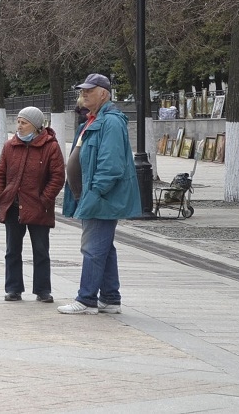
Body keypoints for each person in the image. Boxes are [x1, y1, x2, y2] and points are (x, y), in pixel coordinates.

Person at [58, 74, 141, 315]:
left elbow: (111, 164)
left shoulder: (111, 122)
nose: (84, 94)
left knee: (93, 248)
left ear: (103, 93)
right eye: (82, 91)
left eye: (89, 91)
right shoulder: (92, 120)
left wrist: (95, 192)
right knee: (104, 247)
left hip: (101, 197)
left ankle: (86, 300)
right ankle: (110, 298)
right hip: (92, 195)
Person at [0, 107, 65, 303]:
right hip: (13, 206)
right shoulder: (10, 146)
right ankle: (13, 289)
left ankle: (43, 290)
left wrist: (44, 199)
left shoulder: (50, 147)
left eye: (24, 123)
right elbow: (0, 174)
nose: (19, 126)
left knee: (41, 251)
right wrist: (0, 196)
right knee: (12, 251)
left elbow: (57, 177)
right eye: (18, 121)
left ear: (36, 126)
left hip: (38, 207)